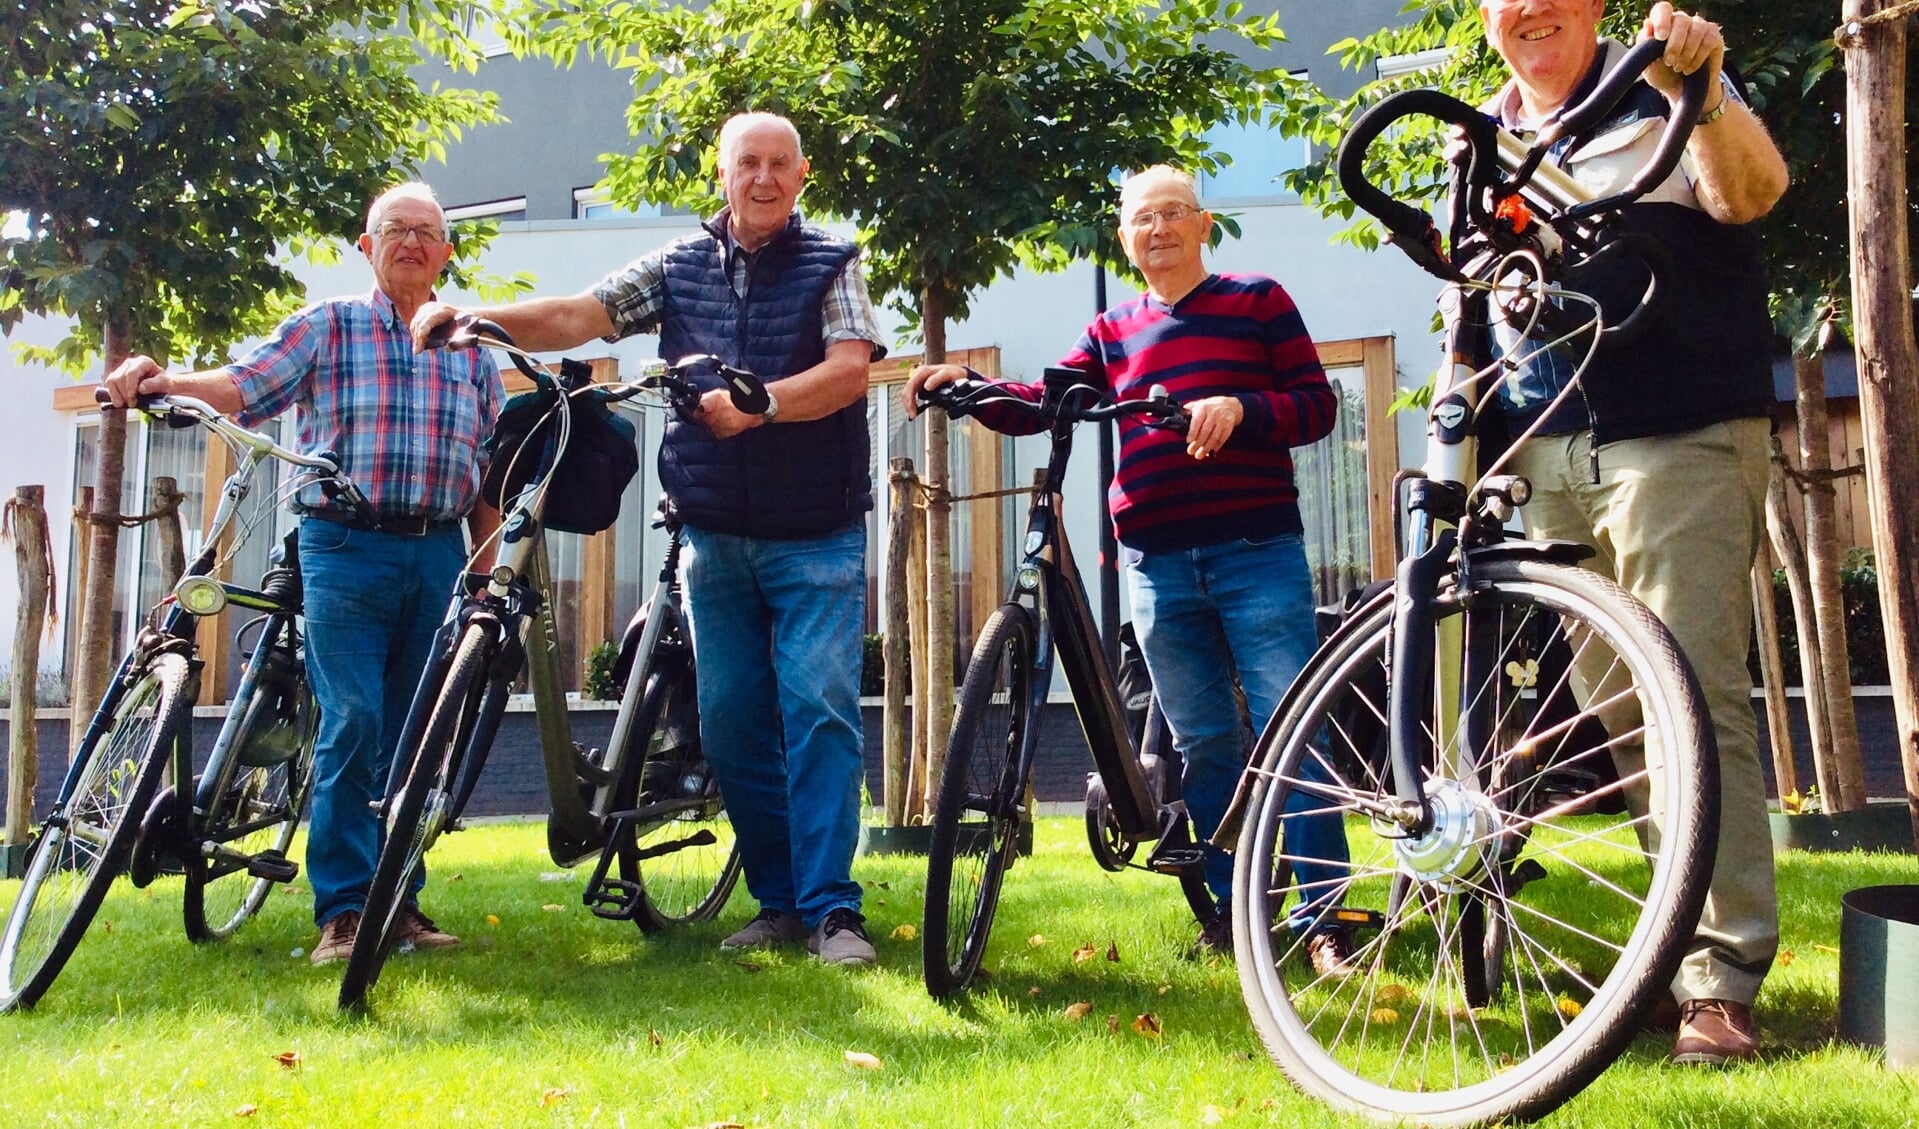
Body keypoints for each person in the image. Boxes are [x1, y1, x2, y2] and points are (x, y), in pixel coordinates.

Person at [411, 111, 889, 966]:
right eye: (749, 162)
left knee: (815, 710)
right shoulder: (677, 266)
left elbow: (852, 370)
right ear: (722, 173)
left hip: (814, 533)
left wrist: (763, 405)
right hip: (712, 531)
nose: (765, 177)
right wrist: (476, 318)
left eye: (781, 164)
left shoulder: (833, 261)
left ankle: (832, 911)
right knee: (731, 720)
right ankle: (778, 901)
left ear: (803, 175)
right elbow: (580, 315)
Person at [903, 166, 1353, 972]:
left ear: (1203, 224)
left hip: (1256, 551)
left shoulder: (1258, 299)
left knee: (1296, 732)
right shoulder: (1111, 330)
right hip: (1155, 563)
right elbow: (1046, 401)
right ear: (1124, 238)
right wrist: (965, 387)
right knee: (1207, 743)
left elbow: (1317, 406)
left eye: (1173, 213)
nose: (1159, 229)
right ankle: (1234, 910)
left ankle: (1326, 916)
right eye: (1143, 219)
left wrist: (1242, 408)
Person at [1473, 0, 1790, 1064]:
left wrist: (1691, 89)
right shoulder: (1483, 132)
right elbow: (1478, 303)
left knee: (1691, 698)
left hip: (1679, 429)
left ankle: (1719, 974)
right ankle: (1662, 952)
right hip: (1549, 449)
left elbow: (1749, 192)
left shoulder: (1661, 74)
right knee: (1623, 712)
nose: (1531, 11)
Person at [102, 182, 503, 965]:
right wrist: (163, 379)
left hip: (437, 552)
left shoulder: (472, 351)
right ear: (367, 245)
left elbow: (485, 477)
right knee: (352, 718)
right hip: (344, 545)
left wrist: (482, 578)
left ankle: (400, 897)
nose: (413, 244)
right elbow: (241, 387)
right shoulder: (329, 326)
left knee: (416, 733)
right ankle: (347, 910)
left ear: (446, 251)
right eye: (396, 231)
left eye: (427, 232)